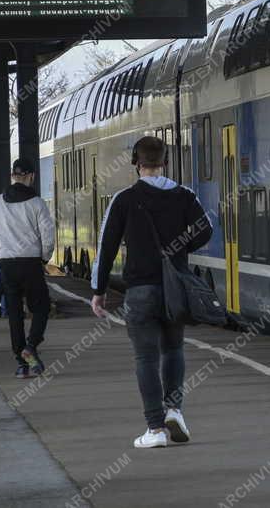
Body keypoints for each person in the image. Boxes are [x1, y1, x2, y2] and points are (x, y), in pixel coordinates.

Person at [91, 136, 212, 449]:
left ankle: (155, 429)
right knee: (174, 350)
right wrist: (180, 249)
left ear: (135, 162)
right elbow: (206, 230)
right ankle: (175, 410)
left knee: (146, 357)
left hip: (141, 290)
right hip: (175, 290)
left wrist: (98, 290)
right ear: (165, 161)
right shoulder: (185, 196)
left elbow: (106, 246)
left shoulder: (124, 199)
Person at [0, 157, 55, 379]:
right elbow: (48, 237)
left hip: (7, 265)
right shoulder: (37, 204)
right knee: (40, 307)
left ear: (13, 176)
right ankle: (31, 346)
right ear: (31, 176)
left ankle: (21, 364)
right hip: (31, 263)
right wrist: (43, 258)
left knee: (14, 312)